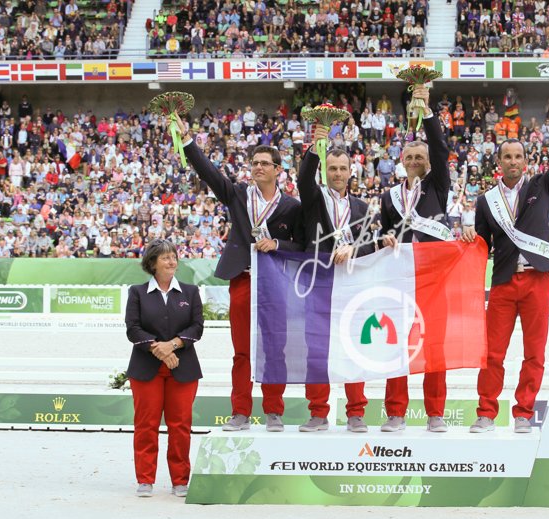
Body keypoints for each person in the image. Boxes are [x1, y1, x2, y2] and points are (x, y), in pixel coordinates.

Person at [462, 94, 549, 434]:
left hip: (536, 280)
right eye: (507, 156)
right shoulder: (486, 202)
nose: (513, 161)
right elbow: (482, 246)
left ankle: (523, 412)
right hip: (504, 282)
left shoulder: (542, 185)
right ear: (498, 162)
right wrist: (468, 239)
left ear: (525, 160)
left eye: (518, 156)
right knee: (492, 354)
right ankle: (486, 413)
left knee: (534, 353)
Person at [179, 117, 305, 432]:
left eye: (264, 163)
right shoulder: (238, 195)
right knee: (242, 352)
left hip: (275, 284)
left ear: (278, 170)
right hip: (243, 280)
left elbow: (302, 246)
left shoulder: (291, 207)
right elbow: (208, 173)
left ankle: (273, 411)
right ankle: (240, 412)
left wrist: (277, 244)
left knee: (274, 347)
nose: (258, 167)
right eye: (254, 163)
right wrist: (187, 141)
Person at [378, 83, 452, 433]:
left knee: (434, 347)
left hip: (434, 280)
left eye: (419, 157)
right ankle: (395, 412)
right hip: (400, 279)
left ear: (428, 162)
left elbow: (439, 146)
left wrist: (427, 110)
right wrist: (385, 238)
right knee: (397, 346)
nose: (413, 162)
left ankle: (435, 413)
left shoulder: (438, 186)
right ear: (401, 161)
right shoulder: (389, 197)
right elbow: (383, 232)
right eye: (408, 158)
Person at [295, 124, 377, 433]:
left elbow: (371, 246)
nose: (338, 173)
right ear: (325, 171)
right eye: (332, 168)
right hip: (319, 282)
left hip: (353, 285)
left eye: (343, 168)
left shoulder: (362, 208)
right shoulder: (314, 199)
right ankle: (318, 412)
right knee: (316, 350)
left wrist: (354, 248)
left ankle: (356, 413)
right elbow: (304, 178)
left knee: (354, 347)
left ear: (351, 172)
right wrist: (315, 146)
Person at [125, 239, 203, 498]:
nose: (172, 262)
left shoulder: (191, 292)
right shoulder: (137, 292)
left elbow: (197, 327)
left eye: (173, 257)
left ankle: (180, 480)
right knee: (145, 425)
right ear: (152, 263)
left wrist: (173, 345)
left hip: (183, 368)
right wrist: (158, 349)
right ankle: (145, 479)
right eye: (165, 257)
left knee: (180, 426)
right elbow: (133, 329)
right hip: (146, 369)